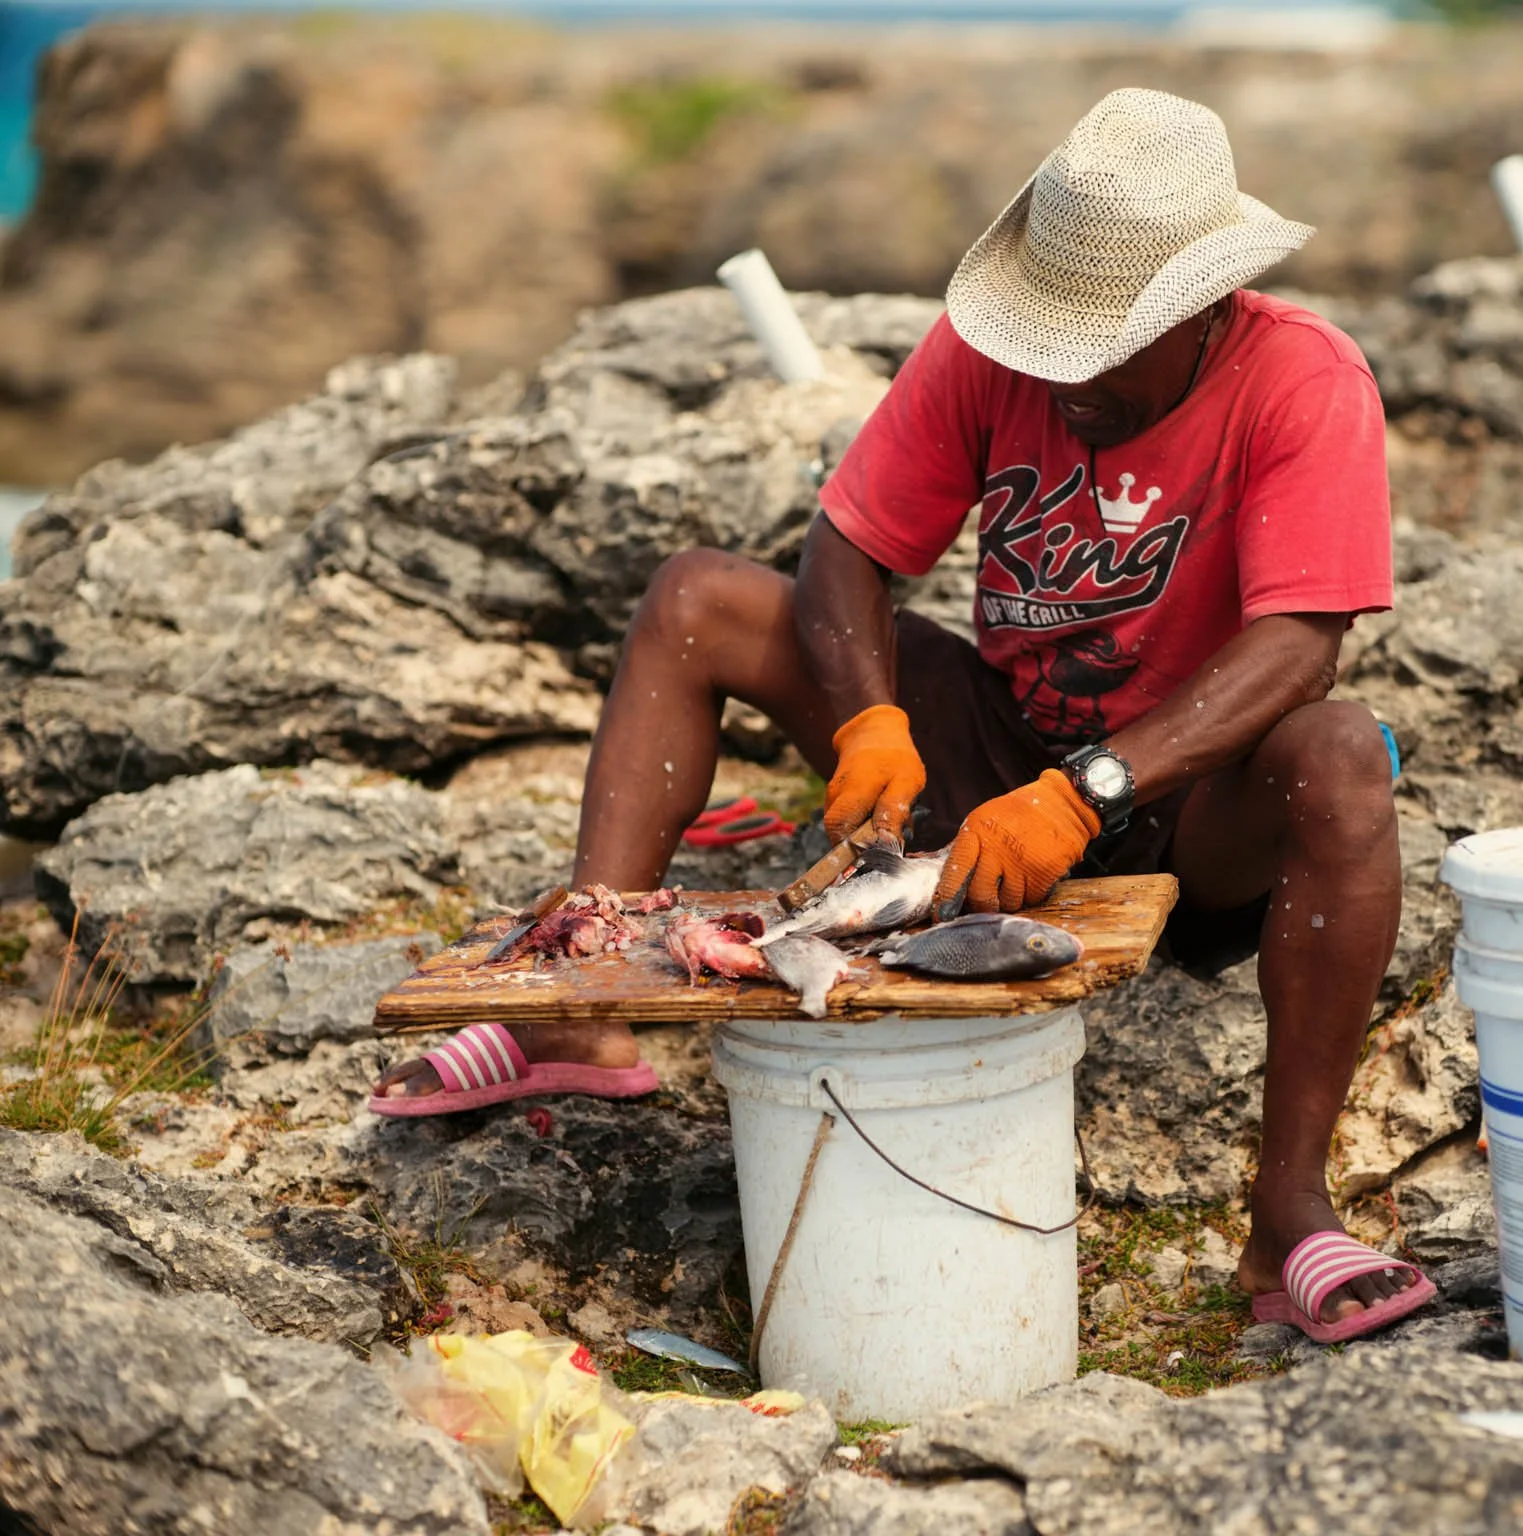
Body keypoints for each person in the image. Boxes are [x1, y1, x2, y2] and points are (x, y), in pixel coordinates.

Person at [372, 88, 1430, 1341]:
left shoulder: (1300, 380)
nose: (1060, 375)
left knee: (1343, 757)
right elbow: (849, 548)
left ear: (1202, 310)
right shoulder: (989, 351)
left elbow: (1300, 641)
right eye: (1045, 342)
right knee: (696, 600)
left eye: (1098, 349)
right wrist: (872, 719)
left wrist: (1085, 794)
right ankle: (591, 1013)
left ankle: (1288, 1216)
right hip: (996, 758)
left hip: (1186, 799)